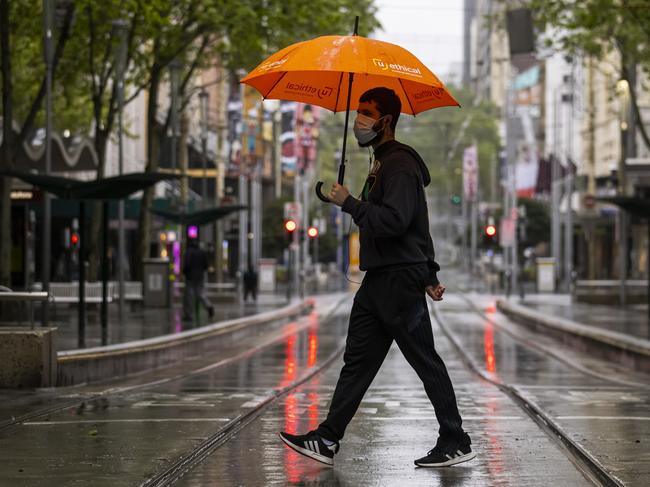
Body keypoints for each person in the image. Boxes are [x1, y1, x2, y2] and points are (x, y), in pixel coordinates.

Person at [279, 87, 475, 468]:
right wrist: (431, 271)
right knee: (358, 360)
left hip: (397, 280)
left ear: (386, 120)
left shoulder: (399, 164)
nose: (360, 121)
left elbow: (399, 221)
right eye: (358, 112)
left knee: (425, 361)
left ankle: (455, 438)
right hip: (380, 280)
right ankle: (328, 438)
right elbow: (418, 223)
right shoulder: (382, 162)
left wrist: (350, 203)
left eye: (367, 113)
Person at [182, 239, 214, 321]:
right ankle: (208, 306)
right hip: (200, 276)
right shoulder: (202, 252)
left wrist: (185, 272)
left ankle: (189, 315)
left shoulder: (188, 252)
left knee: (189, 296)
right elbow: (206, 265)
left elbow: (187, 264)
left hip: (190, 276)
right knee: (200, 294)